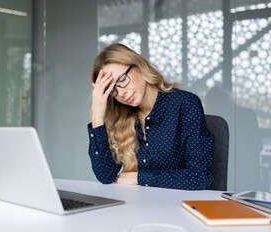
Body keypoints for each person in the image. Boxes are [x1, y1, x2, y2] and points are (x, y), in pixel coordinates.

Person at [88, 43, 215, 190]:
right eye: (112, 91)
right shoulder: (122, 116)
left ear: (139, 67)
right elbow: (106, 176)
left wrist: (139, 177)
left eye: (122, 80)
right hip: (138, 205)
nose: (121, 92)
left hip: (178, 206)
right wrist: (97, 117)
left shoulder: (185, 104)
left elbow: (199, 177)